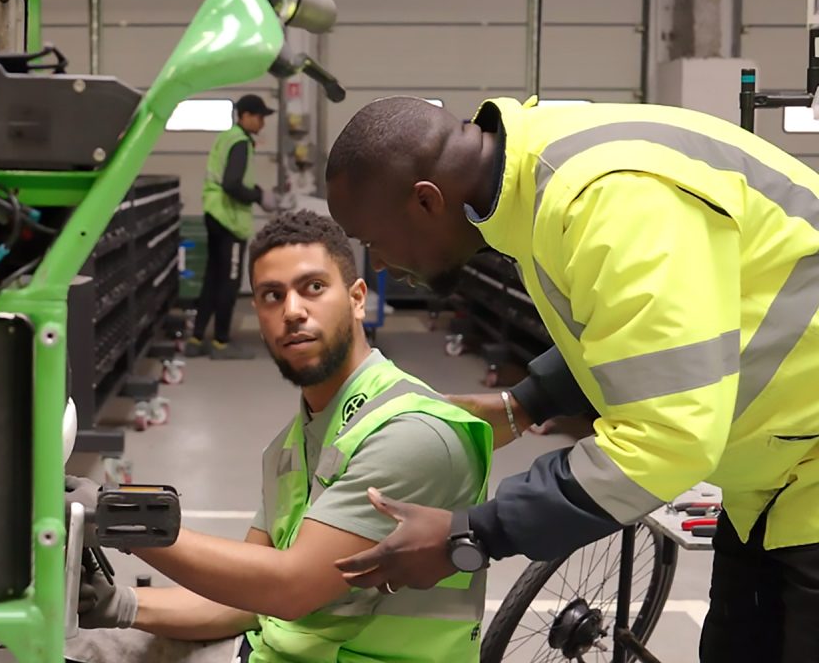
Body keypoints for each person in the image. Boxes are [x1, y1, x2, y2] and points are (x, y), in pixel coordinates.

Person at [323, 95, 819, 663]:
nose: (379, 264)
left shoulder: (607, 201)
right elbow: (635, 331)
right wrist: (527, 402)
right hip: (774, 477)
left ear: (426, 201)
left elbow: (666, 439)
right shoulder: (537, 180)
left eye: (373, 242)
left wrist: (472, 535)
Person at [73, 210, 493, 662]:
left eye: (313, 287)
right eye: (272, 295)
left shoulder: (411, 435)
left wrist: (119, 518)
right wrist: (119, 604)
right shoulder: (293, 444)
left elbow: (288, 588)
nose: (292, 311)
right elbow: (248, 596)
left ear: (357, 299)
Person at [187, 94, 278, 360]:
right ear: (245, 115)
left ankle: (196, 338)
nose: (262, 123)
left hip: (214, 214)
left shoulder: (226, 137)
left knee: (212, 278)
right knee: (229, 281)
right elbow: (232, 184)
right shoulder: (240, 142)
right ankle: (221, 342)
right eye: (259, 117)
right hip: (230, 220)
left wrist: (257, 190)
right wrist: (259, 196)